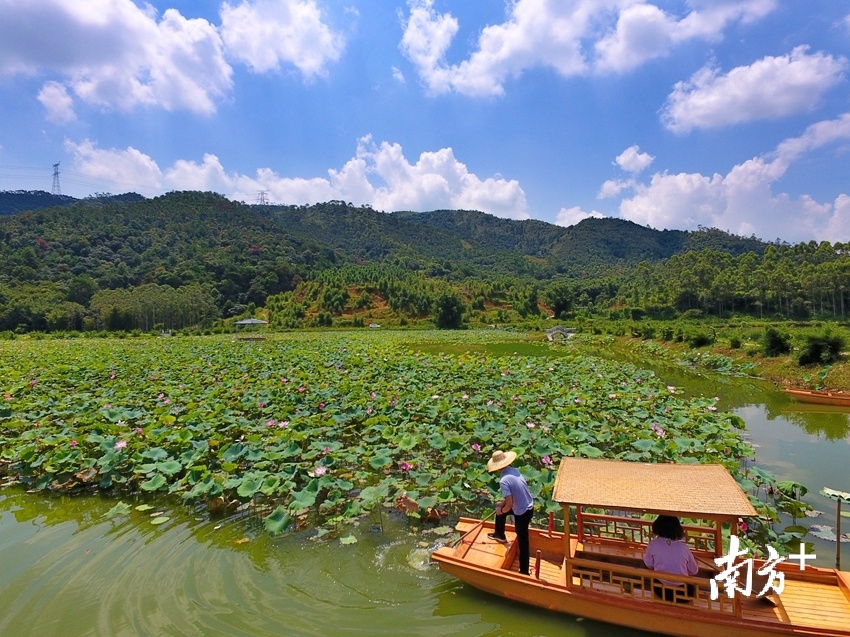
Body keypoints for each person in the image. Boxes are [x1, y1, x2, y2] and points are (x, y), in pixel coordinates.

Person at [486, 449, 534, 575]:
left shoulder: (503, 481)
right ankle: (499, 534)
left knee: (523, 541)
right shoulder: (514, 470)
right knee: (499, 509)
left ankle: (524, 571)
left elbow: (510, 504)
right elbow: (510, 498)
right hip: (529, 505)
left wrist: (502, 510)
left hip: (522, 512)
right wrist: (501, 507)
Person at [643, 515, 698, 602]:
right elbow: (694, 570)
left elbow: (649, 564)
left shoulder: (653, 544)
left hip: (661, 590)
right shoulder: (683, 547)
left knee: (654, 579)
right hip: (683, 594)